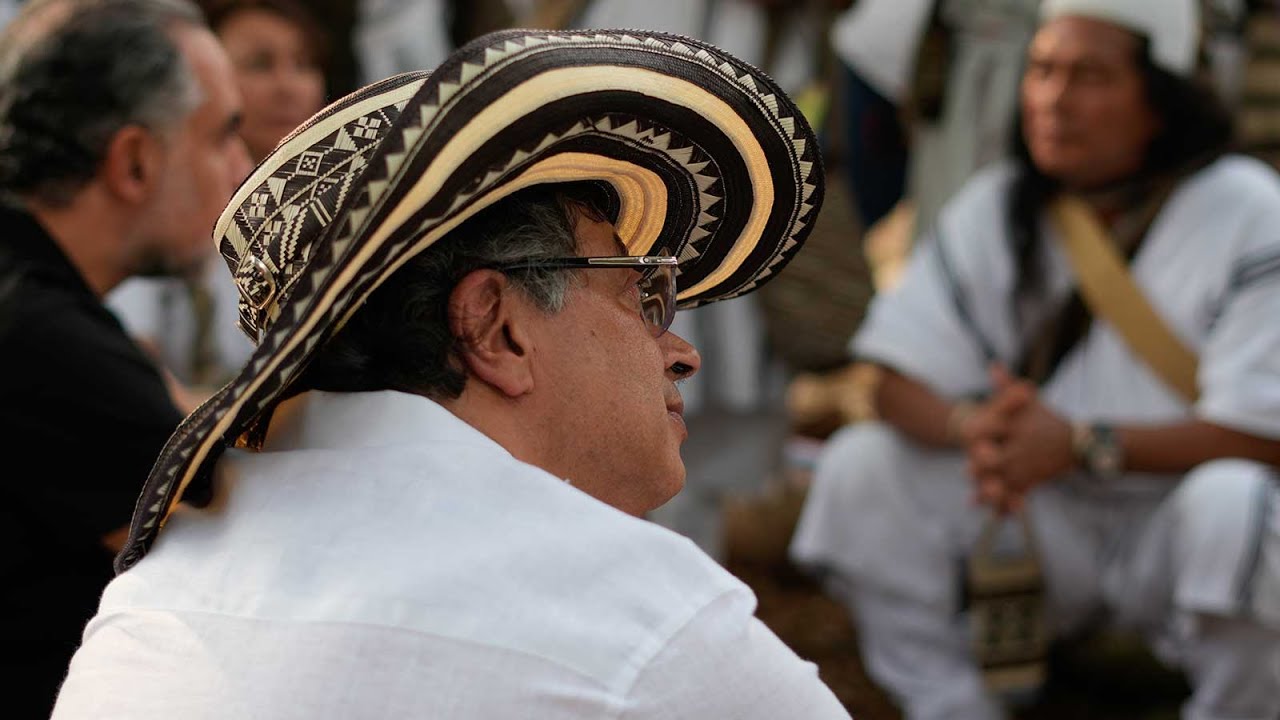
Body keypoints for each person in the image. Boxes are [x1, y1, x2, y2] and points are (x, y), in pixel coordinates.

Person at [53, 28, 847, 719]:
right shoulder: (641, 620)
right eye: (641, 294)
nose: (680, 350)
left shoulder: (153, 597)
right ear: (494, 328)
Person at [791, 1, 1280, 718]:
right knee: (863, 468)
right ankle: (955, 707)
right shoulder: (997, 205)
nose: (1054, 98)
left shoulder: (1247, 211)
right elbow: (892, 380)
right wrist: (976, 431)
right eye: (1043, 69)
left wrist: (1081, 446)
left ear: (1160, 97)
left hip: (1172, 527)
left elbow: (1262, 431)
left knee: (1238, 502)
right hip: (1033, 514)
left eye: (1090, 75)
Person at [0, 0, 251, 715]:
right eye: (221, 136)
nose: (242, 168)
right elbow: (249, 531)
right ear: (135, 161)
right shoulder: (42, 342)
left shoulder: (35, 307)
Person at [108, 0, 329, 404]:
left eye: (303, 64)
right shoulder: (162, 205)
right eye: (261, 64)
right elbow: (128, 373)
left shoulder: (344, 215)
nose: (288, 85)